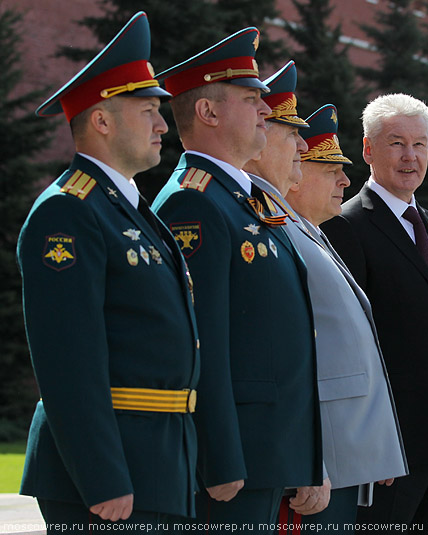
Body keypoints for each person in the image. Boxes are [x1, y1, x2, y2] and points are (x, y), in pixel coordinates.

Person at [18, 12, 199, 534]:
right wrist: (101, 475)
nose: (164, 125)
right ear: (101, 121)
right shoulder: (68, 211)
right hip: (109, 474)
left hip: (158, 463)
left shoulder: (124, 207)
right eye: (148, 111)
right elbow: (66, 358)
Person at [152, 30, 322, 533]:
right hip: (235, 460)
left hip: (267, 450)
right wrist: (219, 457)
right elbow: (202, 341)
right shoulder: (194, 201)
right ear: (208, 113)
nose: (266, 110)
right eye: (251, 100)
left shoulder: (241, 199)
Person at [321, 93, 428, 530]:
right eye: (396, 143)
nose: (410, 157)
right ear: (368, 149)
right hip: (388, 451)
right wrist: (371, 442)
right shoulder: (344, 225)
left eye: (420, 144)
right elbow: (348, 346)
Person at [270, 102, 407, 534]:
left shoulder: (310, 231)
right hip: (321, 461)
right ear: (296, 174)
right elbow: (292, 359)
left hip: (344, 457)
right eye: (329, 169)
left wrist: (375, 445)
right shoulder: (285, 233)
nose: (345, 180)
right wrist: (310, 457)